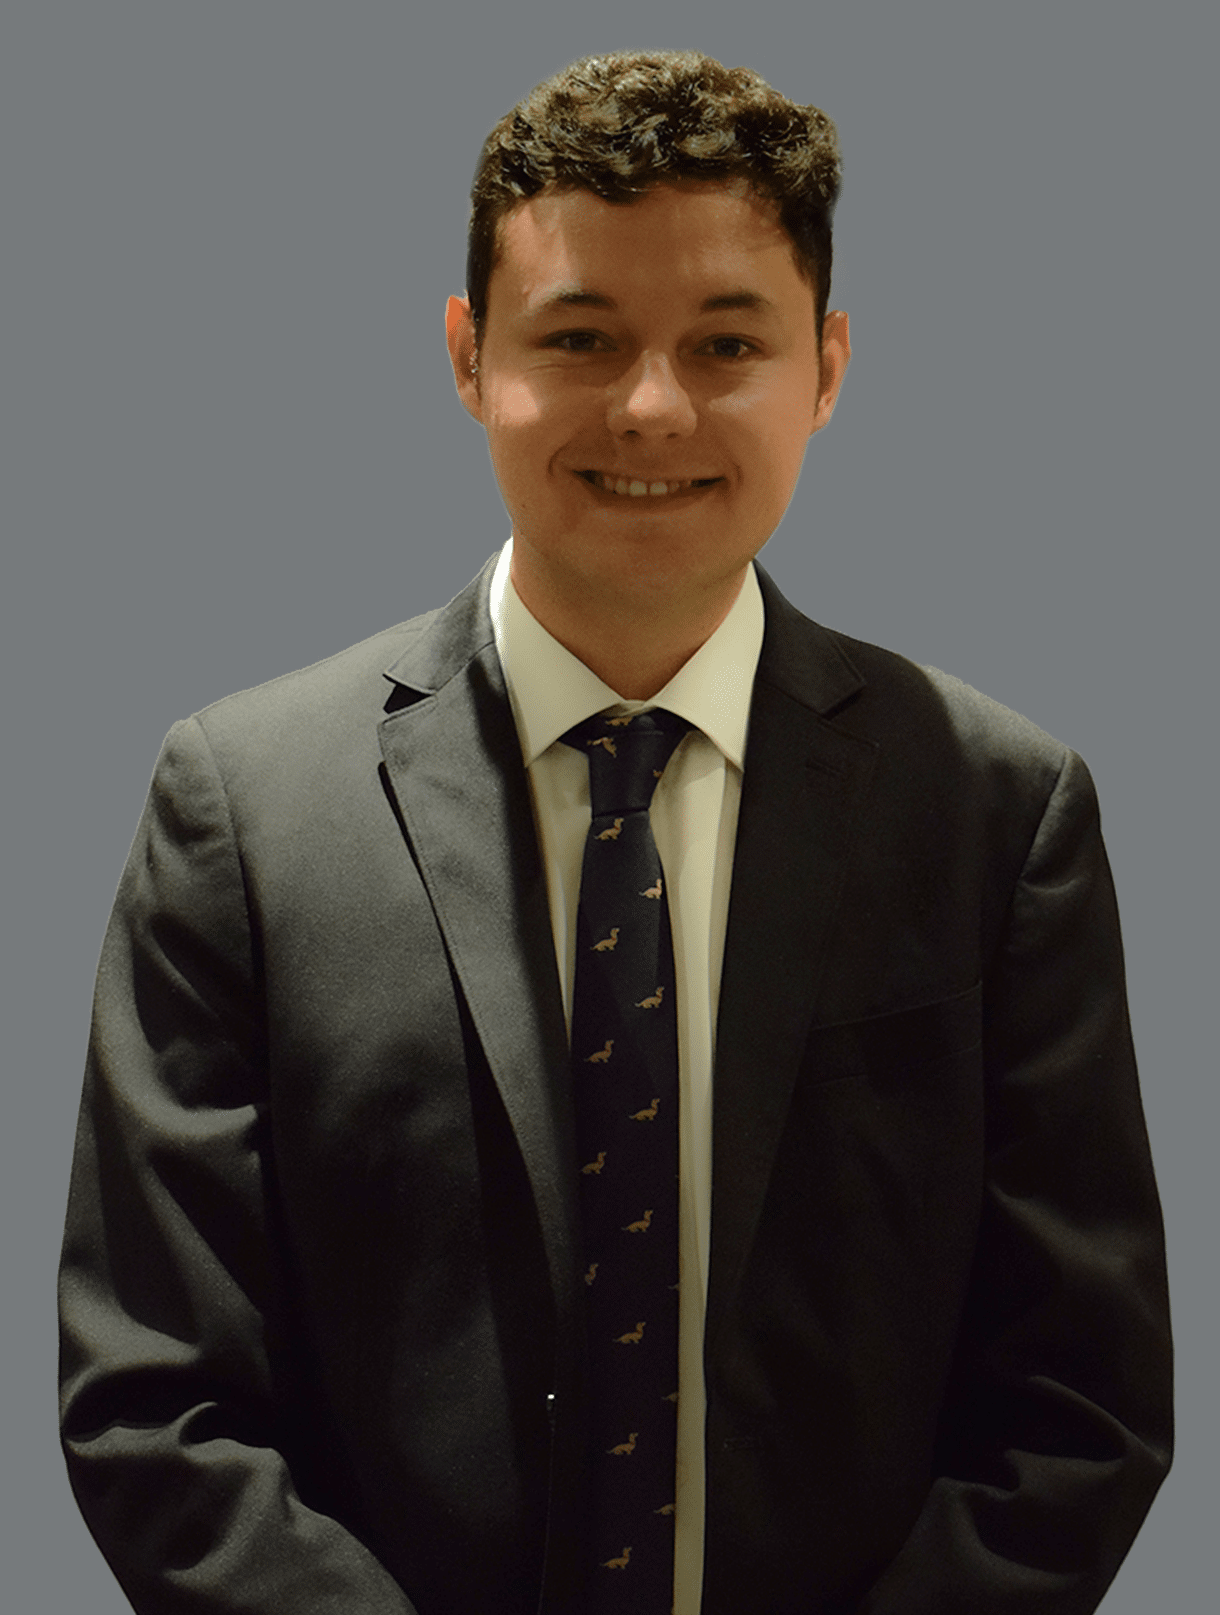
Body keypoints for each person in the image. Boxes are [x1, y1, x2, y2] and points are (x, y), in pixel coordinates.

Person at [58, 49, 1172, 1615]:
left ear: (828, 366)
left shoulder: (999, 811)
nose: (653, 405)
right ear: (469, 355)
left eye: (727, 342)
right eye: (580, 337)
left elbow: (1081, 1405)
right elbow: (153, 1400)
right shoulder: (242, 808)